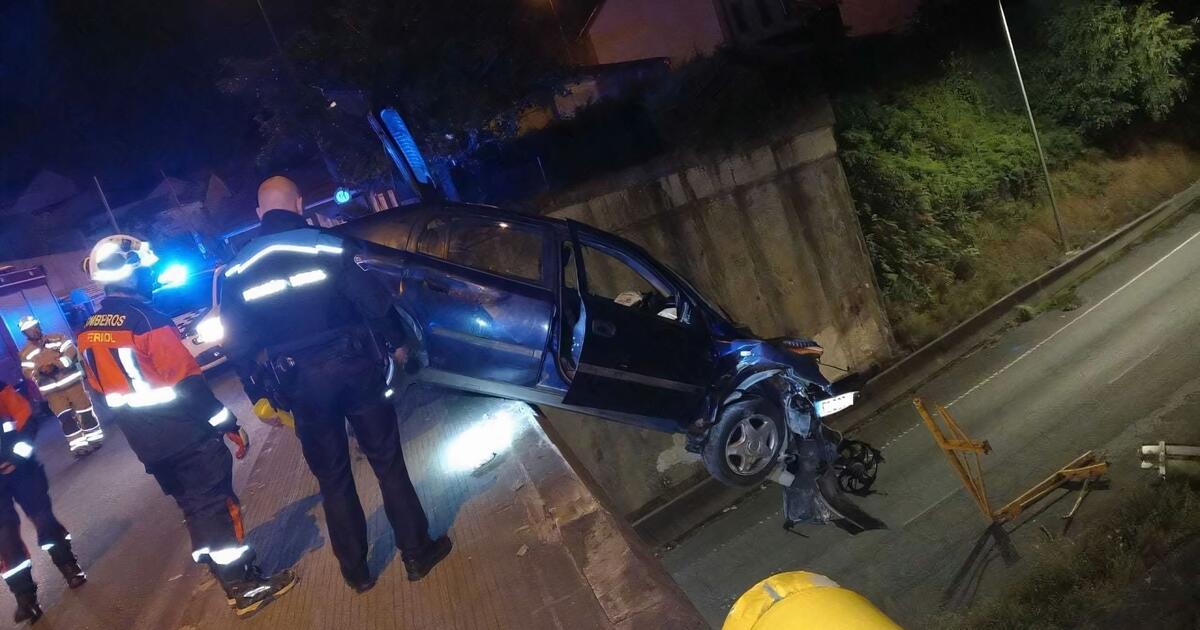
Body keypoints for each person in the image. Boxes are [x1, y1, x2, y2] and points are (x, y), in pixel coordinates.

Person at [218, 175, 449, 593]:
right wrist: (398, 344)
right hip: (355, 367)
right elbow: (374, 302)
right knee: (387, 462)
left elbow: (238, 344)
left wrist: (260, 398)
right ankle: (417, 553)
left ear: (258, 213)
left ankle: (356, 573)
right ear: (300, 203)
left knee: (333, 478)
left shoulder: (236, 270)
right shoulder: (327, 245)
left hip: (300, 384)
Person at [76, 235, 296, 618]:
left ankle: (222, 572)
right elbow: (188, 384)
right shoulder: (148, 321)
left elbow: (100, 394)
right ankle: (244, 587)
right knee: (216, 506)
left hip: (148, 444)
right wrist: (226, 421)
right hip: (186, 436)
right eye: (146, 270)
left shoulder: (88, 332)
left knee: (194, 508)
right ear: (129, 273)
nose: (150, 277)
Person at [0, 380, 86, 625]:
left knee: (43, 519)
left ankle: (69, 567)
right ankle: (25, 598)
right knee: (5, 540)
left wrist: (16, 457)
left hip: (22, 470)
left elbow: (26, 418)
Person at [18, 316, 104, 457]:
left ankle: (94, 439)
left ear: (39, 325)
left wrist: (56, 365)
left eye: (35, 326)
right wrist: (40, 371)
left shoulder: (57, 338)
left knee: (84, 411)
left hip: (72, 383)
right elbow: (27, 371)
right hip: (51, 391)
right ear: (25, 333)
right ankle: (79, 447)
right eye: (29, 330)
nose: (34, 330)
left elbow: (71, 352)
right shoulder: (25, 353)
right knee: (65, 418)